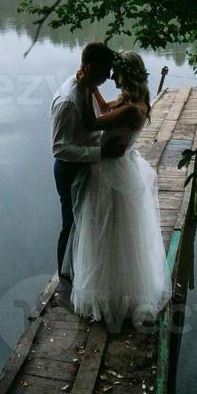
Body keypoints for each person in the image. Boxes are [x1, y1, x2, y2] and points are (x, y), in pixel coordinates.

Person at [64, 50, 169, 329]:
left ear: (127, 73)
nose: (112, 77)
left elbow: (92, 122)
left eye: (116, 73)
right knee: (113, 231)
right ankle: (112, 291)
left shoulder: (132, 109)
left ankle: (110, 295)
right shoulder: (134, 100)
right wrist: (95, 90)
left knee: (107, 231)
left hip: (112, 173)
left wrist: (86, 88)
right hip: (118, 168)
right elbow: (106, 108)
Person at [50, 42, 125, 304]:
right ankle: (65, 280)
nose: (108, 78)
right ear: (91, 68)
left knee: (87, 222)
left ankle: (83, 271)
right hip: (69, 169)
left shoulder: (88, 87)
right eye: (105, 72)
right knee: (69, 223)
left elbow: (93, 122)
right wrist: (100, 153)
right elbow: (60, 148)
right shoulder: (69, 100)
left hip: (87, 165)